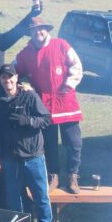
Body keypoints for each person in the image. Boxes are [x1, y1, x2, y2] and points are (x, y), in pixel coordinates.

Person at [14, 15, 85, 193]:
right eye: (34, 30)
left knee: (74, 142)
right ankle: (53, 175)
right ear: (29, 32)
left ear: (47, 29)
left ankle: (72, 175)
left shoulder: (61, 44)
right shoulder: (26, 53)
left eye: (41, 28)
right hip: (43, 105)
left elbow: (76, 66)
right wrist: (22, 85)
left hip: (66, 101)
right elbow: (12, 71)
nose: (38, 32)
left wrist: (68, 85)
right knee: (49, 143)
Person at [0, 64, 55, 222]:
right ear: (0, 80)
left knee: (41, 194)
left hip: (34, 155)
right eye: (4, 77)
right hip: (11, 158)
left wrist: (27, 121)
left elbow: (46, 119)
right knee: (13, 196)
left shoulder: (30, 96)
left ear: (16, 77)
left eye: (10, 77)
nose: (7, 80)